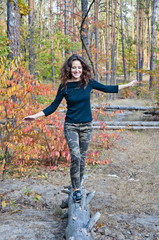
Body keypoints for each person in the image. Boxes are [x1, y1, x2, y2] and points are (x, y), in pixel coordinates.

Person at [23, 54, 138, 202]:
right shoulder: (64, 86)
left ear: (82, 69)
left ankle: (79, 182)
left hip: (87, 127)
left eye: (79, 67)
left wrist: (128, 85)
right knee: (75, 156)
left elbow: (108, 88)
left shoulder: (87, 82)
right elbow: (53, 106)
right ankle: (76, 188)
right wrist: (35, 116)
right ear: (69, 69)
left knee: (82, 158)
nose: (76, 70)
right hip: (71, 126)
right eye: (73, 67)